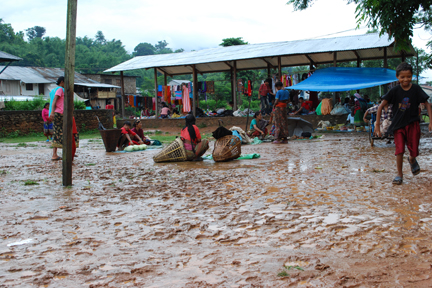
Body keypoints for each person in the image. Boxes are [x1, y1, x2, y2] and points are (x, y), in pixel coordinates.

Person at [375, 62, 432, 185]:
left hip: (413, 124)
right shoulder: (394, 91)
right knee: (399, 150)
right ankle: (399, 175)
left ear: (412, 76)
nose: (405, 79)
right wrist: (377, 126)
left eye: (408, 76)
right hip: (398, 125)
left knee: (414, 150)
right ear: (397, 77)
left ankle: (412, 159)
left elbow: (427, 104)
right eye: (402, 77)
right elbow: (380, 107)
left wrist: (431, 122)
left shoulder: (416, 89)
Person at [49, 76, 79, 161]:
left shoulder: (53, 90)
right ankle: (55, 154)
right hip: (60, 113)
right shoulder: (60, 90)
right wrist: (52, 112)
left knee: (60, 132)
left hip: (62, 113)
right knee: (61, 132)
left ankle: (68, 151)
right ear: (62, 82)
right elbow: (54, 101)